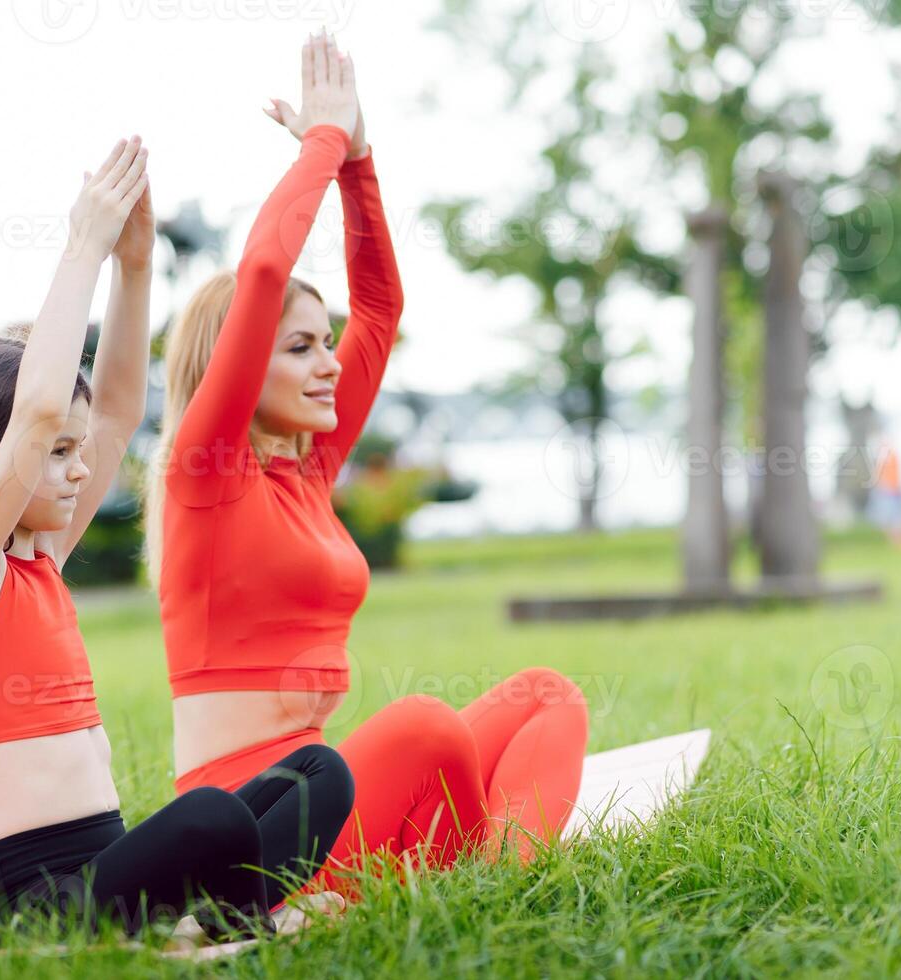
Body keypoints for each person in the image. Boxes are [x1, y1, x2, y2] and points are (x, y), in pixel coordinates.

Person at [0, 135, 353, 945]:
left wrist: (135, 267)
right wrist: (82, 247)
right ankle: (231, 921)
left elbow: (123, 407)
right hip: (38, 908)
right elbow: (34, 412)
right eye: (56, 454)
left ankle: (211, 919)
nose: (75, 470)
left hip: (110, 869)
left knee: (319, 774)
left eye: (76, 452)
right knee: (208, 818)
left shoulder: (40, 563)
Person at [145, 32, 588, 890]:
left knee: (545, 693)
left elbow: (380, 307)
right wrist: (321, 142)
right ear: (239, 367)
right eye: (301, 348)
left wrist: (362, 159)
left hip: (333, 787)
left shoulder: (307, 473)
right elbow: (266, 266)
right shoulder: (203, 475)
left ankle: (495, 871)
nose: (328, 364)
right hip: (258, 826)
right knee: (426, 727)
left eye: (324, 345)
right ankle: (489, 870)